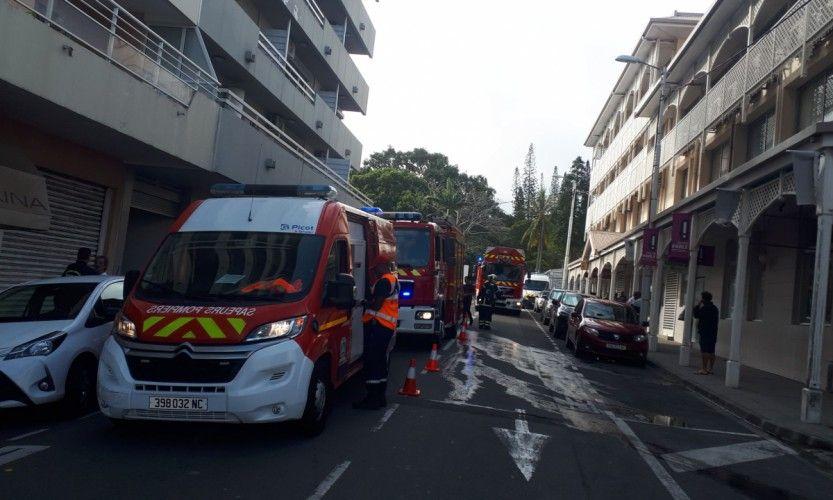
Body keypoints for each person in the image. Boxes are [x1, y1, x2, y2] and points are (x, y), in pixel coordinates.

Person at [353, 259, 399, 410]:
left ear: (382, 266)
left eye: (375, 267)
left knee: (372, 362)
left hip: (378, 325)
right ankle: (380, 397)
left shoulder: (383, 282)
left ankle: (372, 398)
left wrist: (363, 303)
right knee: (380, 362)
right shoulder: (394, 280)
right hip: (387, 326)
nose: (373, 270)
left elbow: (377, 304)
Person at [693, 291, 720, 375]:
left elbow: (696, 315)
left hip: (704, 331)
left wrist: (698, 305)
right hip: (713, 331)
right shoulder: (714, 308)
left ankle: (704, 369)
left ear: (703, 299)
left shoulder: (704, 308)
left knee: (704, 350)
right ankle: (710, 368)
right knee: (711, 350)